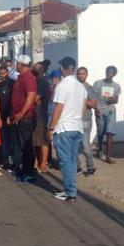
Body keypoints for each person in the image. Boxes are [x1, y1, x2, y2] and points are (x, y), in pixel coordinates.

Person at [48, 57, 86, 202]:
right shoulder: (80, 86)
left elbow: (58, 107)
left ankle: (70, 191)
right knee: (71, 161)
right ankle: (71, 190)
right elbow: (83, 107)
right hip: (77, 127)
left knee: (65, 162)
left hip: (64, 127)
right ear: (74, 68)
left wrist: (51, 127)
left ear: (62, 68)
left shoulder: (62, 85)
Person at [10, 55, 38, 182]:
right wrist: (12, 115)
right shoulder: (20, 78)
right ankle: (23, 169)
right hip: (18, 117)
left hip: (26, 118)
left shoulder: (29, 78)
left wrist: (21, 113)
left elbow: (31, 96)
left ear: (21, 64)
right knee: (20, 145)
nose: (16, 65)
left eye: (17, 63)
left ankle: (29, 171)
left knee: (26, 146)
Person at [93, 66, 121, 164]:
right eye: (108, 72)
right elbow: (94, 98)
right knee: (100, 133)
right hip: (100, 110)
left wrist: (112, 100)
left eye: (112, 73)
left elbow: (116, 100)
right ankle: (100, 149)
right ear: (105, 72)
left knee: (110, 133)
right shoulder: (98, 84)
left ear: (114, 74)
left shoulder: (116, 86)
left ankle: (108, 157)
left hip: (111, 111)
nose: (109, 74)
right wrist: (96, 109)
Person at [76, 67, 98, 176]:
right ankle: (77, 167)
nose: (80, 76)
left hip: (85, 120)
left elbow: (94, 105)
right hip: (74, 120)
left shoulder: (90, 89)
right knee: (74, 146)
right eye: (79, 73)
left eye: (83, 74)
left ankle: (90, 167)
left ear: (87, 75)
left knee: (85, 146)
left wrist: (83, 100)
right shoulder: (73, 87)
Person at [33, 61, 52, 173]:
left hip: (42, 114)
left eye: (35, 67)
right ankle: (36, 161)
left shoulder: (43, 82)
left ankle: (43, 162)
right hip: (35, 113)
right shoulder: (36, 81)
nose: (33, 68)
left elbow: (36, 98)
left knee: (43, 140)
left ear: (40, 70)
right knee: (35, 139)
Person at [0, 66, 13, 170]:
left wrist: (12, 115)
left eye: (4, 73)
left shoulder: (13, 84)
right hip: (1, 116)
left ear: (8, 72)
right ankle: (4, 161)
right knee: (3, 139)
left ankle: (14, 161)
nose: (3, 75)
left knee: (12, 140)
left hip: (11, 116)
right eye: (1, 73)